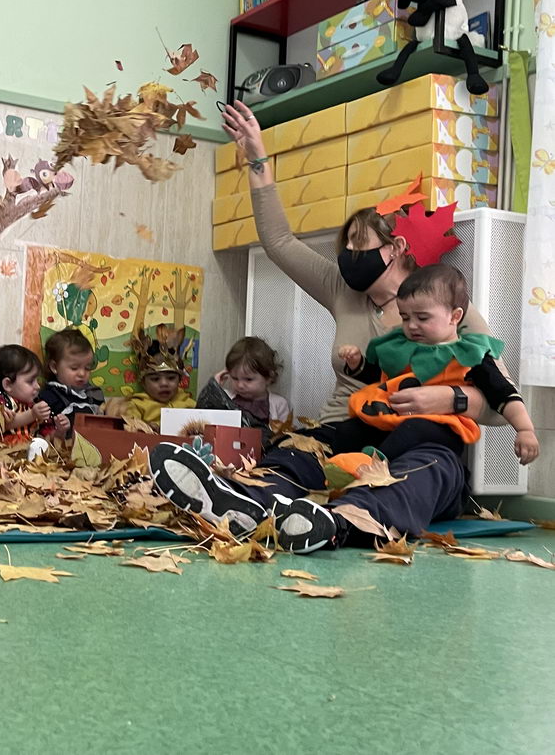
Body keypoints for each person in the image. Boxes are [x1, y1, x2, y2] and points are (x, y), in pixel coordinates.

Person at [148, 99, 516, 554]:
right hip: (344, 430)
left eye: (359, 247)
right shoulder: (343, 288)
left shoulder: (448, 306)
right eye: (345, 249)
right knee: (291, 455)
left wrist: (452, 397)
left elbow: (503, 401)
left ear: (395, 247)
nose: (348, 258)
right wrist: (256, 157)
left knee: (430, 471)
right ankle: (242, 504)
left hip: (423, 437)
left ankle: (336, 523)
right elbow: (279, 242)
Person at [329, 263, 538, 470]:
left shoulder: (470, 355)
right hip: (391, 417)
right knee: (350, 429)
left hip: (441, 427)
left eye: (422, 317)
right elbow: (383, 381)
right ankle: (336, 467)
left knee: (414, 429)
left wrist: (525, 429)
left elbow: (503, 392)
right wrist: (358, 365)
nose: (411, 325)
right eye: (405, 317)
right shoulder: (401, 348)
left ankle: (374, 467)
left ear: (454, 317)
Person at [196, 337, 290, 441]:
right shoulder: (226, 397)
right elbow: (202, 414)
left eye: (248, 379)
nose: (240, 385)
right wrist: (214, 387)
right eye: (235, 378)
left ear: (268, 377)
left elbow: (284, 438)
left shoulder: (278, 404)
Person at [124, 325, 196, 428]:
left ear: (179, 379)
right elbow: (129, 429)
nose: (164, 383)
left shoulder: (190, 404)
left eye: (171, 378)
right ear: (143, 382)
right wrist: (146, 428)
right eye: (155, 379)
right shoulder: (136, 405)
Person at [38, 328, 102, 438]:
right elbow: (42, 433)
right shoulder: (49, 396)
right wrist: (60, 430)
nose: (82, 373)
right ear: (54, 367)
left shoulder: (93, 393)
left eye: (87, 368)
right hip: (62, 448)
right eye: (74, 368)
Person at [0, 344, 53, 444]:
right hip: (4, 452)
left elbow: (47, 432)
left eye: (37, 380)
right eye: (31, 381)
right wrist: (32, 414)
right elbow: (2, 424)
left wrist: (60, 431)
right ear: (8, 384)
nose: (38, 386)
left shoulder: (33, 404)